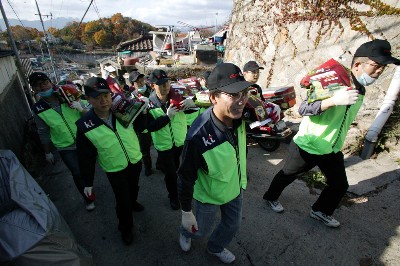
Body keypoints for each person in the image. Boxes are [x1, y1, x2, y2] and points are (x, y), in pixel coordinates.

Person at [262, 39, 400, 228]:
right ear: (358, 64)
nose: (379, 72)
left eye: (382, 68)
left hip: (331, 147)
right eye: (376, 66)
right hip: (309, 144)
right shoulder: (334, 82)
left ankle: (320, 210)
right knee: (287, 175)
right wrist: (333, 101)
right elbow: (303, 109)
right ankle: (270, 197)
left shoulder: (360, 88)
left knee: (339, 185)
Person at [177, 63, 253, 264]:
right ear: (213, 97)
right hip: (209, 195)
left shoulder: (241, 115)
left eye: (244, 93)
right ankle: (185, 233)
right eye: (233, 94)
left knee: (232, 225)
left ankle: (215, 247)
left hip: (235, 188)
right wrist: (186, 211)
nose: (241, 100)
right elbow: (185, 176)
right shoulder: (198, 136)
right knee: (199, 229)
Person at [75, 77, 147, 245]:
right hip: (114, 168)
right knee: (122, 200)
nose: (103, 100)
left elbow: (142, 127)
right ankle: (126, 228)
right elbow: (85, 157)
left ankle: (133, 202)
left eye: (106, 95)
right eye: (97, 97)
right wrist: (87, 182)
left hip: (134, 160)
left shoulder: (123, 110)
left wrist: (143, 111)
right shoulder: (85, 125)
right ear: (88, 99)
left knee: (134, 187)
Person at [29, 72, 95, 211]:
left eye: (44, 82)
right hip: (65, 146)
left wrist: (80, 107)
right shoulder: (38, 108)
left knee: (89, 169)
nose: (42, 87)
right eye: (37, 85)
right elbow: (43, 131)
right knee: (77, 173)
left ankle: (89, 186)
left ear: (51, 82)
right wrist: (48, 153)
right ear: (33, 89)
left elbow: (90, 111)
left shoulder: (67, 95)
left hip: (84, 140)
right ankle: (88, 199)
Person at [147, 69, 190, 210]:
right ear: (153, 86)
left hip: (179, 141)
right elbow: (150, 127)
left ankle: (181, 191)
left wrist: (191, 104)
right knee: (170, 174)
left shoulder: (177, 95)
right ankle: (173, 197)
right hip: (164, 145)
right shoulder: (149, 104)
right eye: (161, 84)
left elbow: (191, 110)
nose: (165, 86)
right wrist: (167, 117)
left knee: (179, 169)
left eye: (167, 82)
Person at [129, 70, 153, 176]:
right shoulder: (131, 98)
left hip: (154, 123)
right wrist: (141, 110)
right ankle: (148, 167)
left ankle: (161, 164)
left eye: (142, 80)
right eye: (138, 82)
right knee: (145, 150)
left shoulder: (151, 91)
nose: (141, 83)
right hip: (142, 128)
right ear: (133, 84)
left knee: (160, 146)